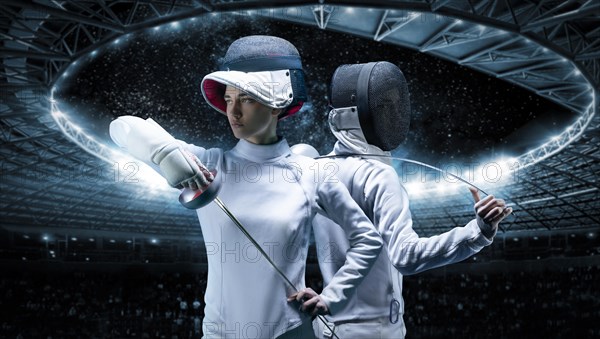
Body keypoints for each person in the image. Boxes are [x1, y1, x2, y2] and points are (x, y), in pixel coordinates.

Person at [108, 36, 383, 339]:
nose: (233, 112)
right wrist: (165, 154)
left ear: (278, 106)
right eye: (229, 99)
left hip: (290, 332)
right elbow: (122, 127)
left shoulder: (312, 174)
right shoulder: (207, 164)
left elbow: (368, 240)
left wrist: (332, 296)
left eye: (248, 99)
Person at [292, 61, 512, 338]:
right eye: (385, 106)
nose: (395, 114)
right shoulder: (378, 175)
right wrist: (477, 232)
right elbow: (406, 257)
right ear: (359, 114)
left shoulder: (316, 169)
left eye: (397, 105)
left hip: (329, 328)